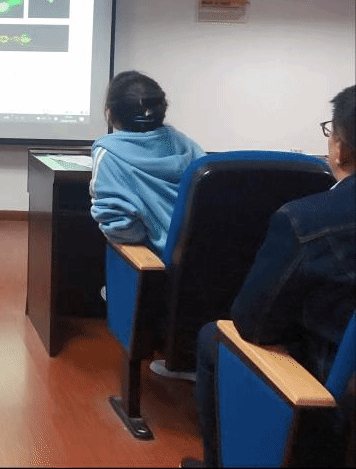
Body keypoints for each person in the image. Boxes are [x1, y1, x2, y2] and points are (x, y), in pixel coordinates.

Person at [190, 85, 356, 468]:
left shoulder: (306, 219)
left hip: (333, 393)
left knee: (215, 338)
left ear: (340, 149)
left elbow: (252, 324)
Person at [89, 70, 205, 256]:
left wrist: (148, 242)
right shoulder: (186, 144)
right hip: (209, 255)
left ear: (111, 113)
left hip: (156, 263)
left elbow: (121, 229)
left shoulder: (108, 153)